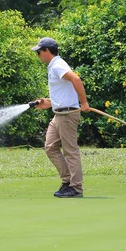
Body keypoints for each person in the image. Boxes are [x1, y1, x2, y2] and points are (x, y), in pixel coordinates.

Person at [31, 37, 90, 198]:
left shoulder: (58, 64)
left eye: (39, 52)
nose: (38, 55)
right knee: (50, 147)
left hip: (67, 114)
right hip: (59, 114)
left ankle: (76, 188)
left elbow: (76, 79)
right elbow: (64, 92)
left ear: (47, 51)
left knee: (70, 150)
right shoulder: (53, 66)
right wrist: (48, 103)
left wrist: (84, 102)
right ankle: (67, 181)